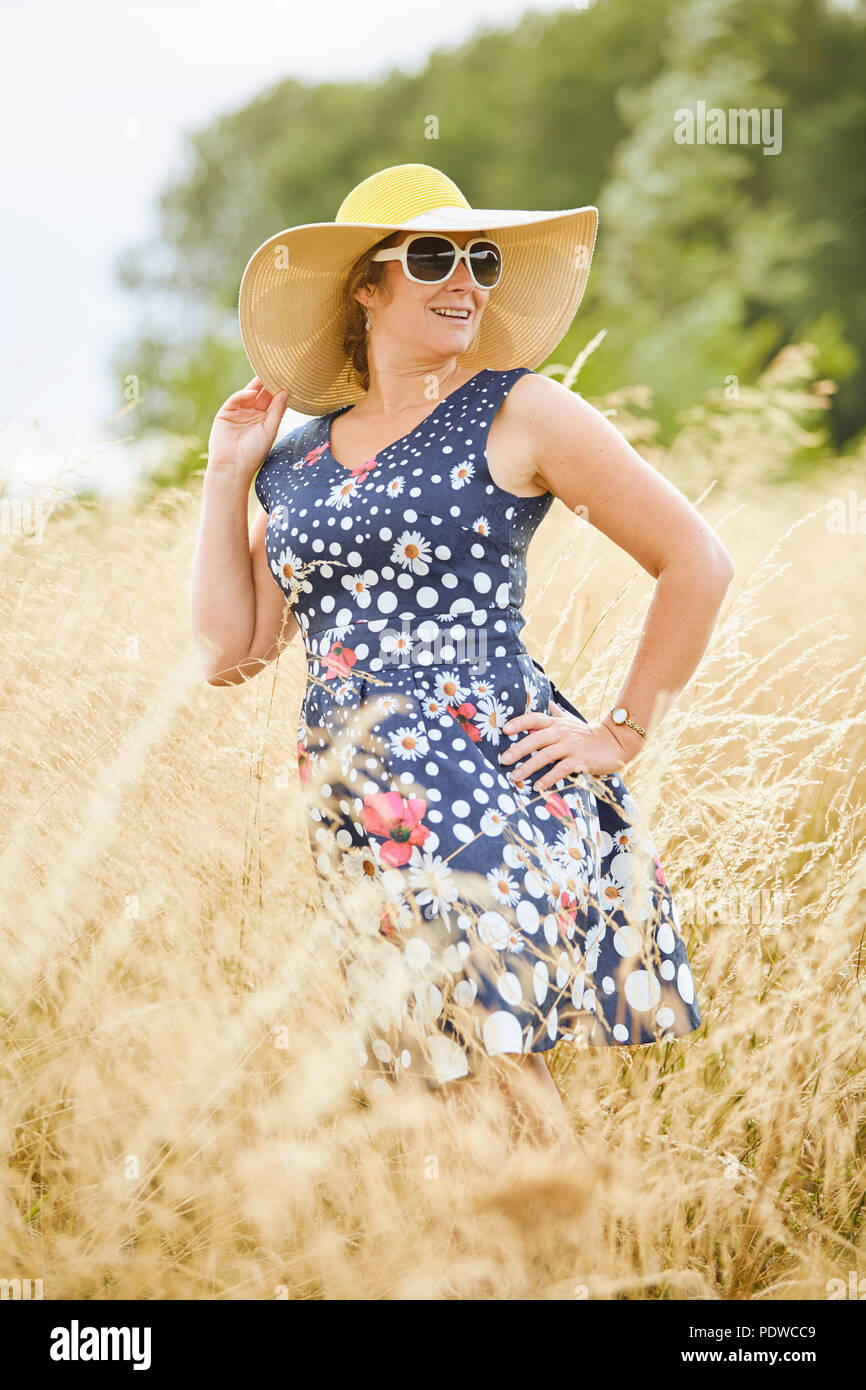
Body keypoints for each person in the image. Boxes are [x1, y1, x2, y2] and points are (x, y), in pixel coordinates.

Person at [191, 163, 734, 1152]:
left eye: (479, 260)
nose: (467, 281)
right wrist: (228, 475)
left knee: (494, 1057)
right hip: (357, 801)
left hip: (495, 776)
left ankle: (580, 1270)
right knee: (438, 1079)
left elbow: (694, 558)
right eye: (435, 257)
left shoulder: (519, 410)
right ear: (365, 286)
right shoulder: (294, 464)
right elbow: (232, 652)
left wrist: (619, 730)